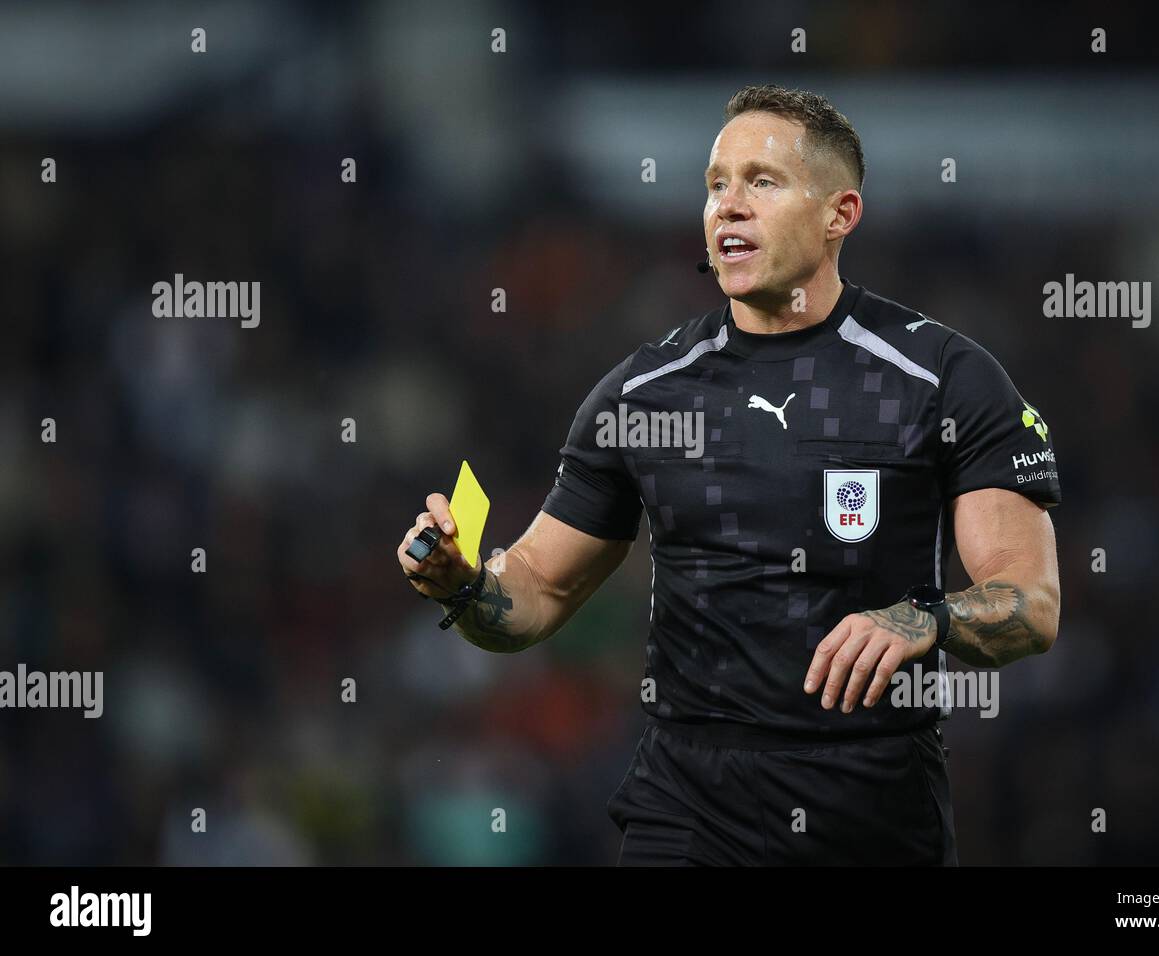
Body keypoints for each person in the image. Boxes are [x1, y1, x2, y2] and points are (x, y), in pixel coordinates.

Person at [397, 84, 1061, 865]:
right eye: (716, 184)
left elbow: (1031, 604)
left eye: (762, 182)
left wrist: (924, 620)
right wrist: (464, 583)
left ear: (839, 214)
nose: (728, 206)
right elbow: (537, 591)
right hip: (687, 814)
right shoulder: (643, 394)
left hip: (873, 813)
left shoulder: (942, 379)